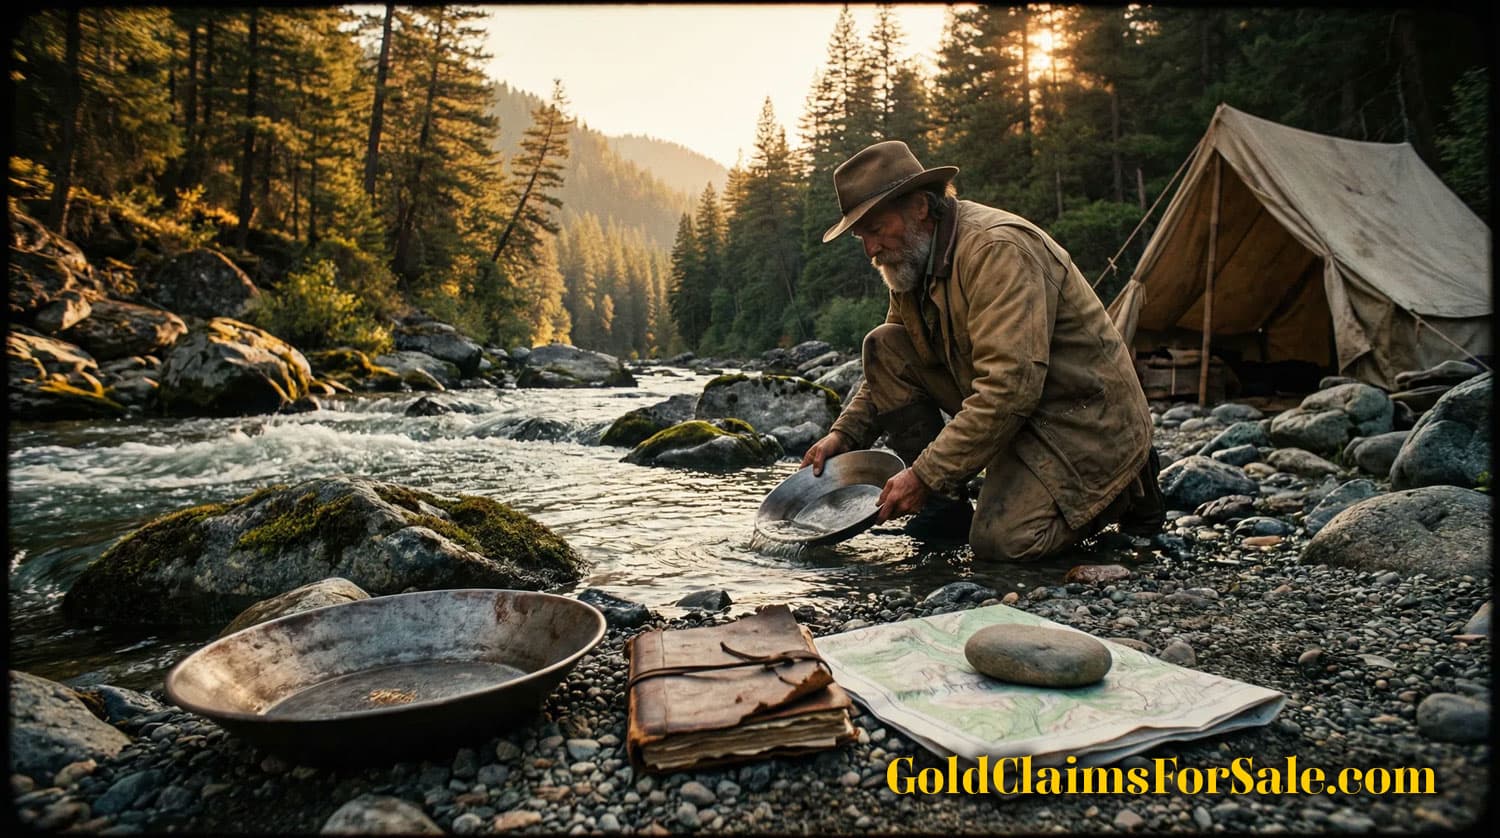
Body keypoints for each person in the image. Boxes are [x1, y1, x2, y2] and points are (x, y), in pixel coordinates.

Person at [800, 140, 1163, 560]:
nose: (870, 250)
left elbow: (1009, 389)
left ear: (920, 207)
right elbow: (892, 364)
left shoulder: (998, 251)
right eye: (861, 237)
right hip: (1016, 418)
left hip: (1080, 422)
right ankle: (944, 509)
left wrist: (924, 475)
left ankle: (1129, 481)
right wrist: (842, 436)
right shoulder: (911, 262)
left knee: (1002, 543)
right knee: (882, 344)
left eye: (877, 230)